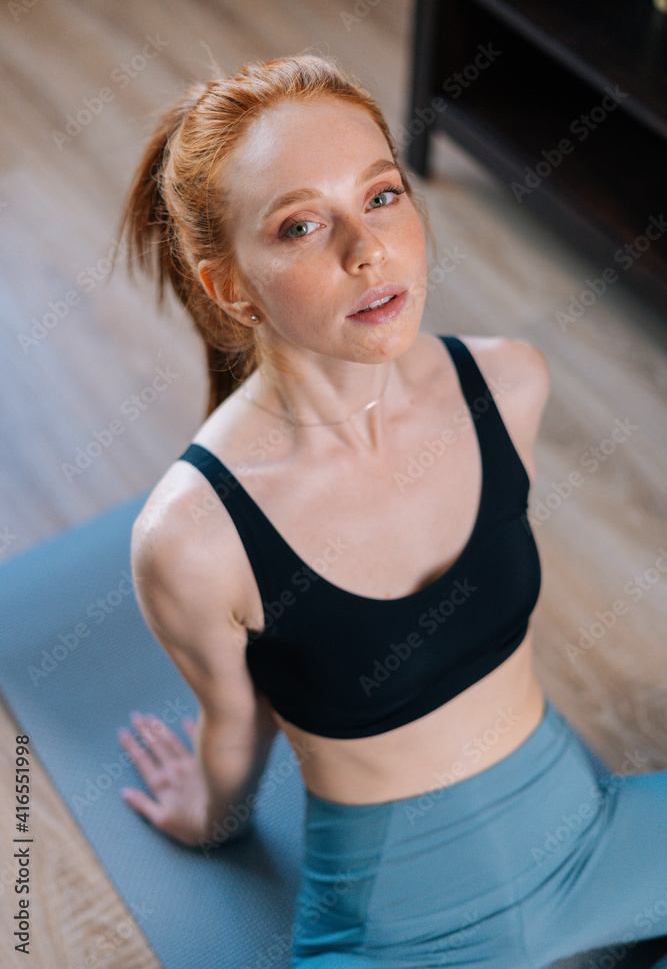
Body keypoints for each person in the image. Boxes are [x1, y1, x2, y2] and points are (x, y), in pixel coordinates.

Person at [112, 52, 667, 968]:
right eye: (299, 225)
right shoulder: (191, 538)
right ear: (228, 287)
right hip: (394, 922)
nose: (366, 250)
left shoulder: (507, 382)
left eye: (381, 195)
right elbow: (234, 725)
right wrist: (208, 822)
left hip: (584, 828)